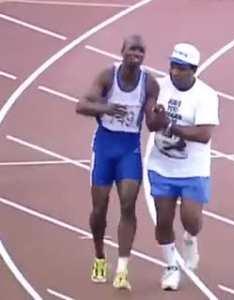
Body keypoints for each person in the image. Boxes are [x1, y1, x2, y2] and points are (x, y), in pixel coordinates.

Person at [75, 34, 166, 290]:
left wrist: (160, 117)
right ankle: (100, 256)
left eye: (141, 51)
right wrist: (106, 108)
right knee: (100, 207)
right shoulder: (107, 76)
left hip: (129, 148)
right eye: (132, 50)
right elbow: (81, 105)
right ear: (122, 51)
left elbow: (151, 122)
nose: (136, 55)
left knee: (128, 204)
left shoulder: (149, 84)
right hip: (105, 146)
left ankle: (123, 268)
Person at [147, 42, 220, 291]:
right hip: (161, 166)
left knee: (191, 220)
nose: (174, 72)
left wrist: (170, 126)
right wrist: (154, 117)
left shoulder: (207, 95)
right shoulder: (158, 86)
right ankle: (171, 267)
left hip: (193, 169)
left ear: (193, 70)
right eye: (172, 66)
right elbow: (150, 122)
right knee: (163, 221)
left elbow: (203, 134)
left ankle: (190, 239)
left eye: (180, 68)